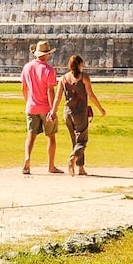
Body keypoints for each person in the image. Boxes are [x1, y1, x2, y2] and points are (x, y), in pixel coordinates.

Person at [55, 54, 107, 175]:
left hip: (67, 112)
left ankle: (81, 168)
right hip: (80, 112)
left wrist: (53, 111)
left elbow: (58, 97)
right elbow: (91, 95)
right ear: (79, 65)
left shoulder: (63, 78)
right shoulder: (84, 77)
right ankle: (73, 158)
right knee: (82, 140)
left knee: (75, 140)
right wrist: (101, 109)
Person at [21, 40, 62, 175]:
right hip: (45, 107)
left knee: (30, 137)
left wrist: (29, 102)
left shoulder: (27, 67)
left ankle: (27, 160)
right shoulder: (49, 70)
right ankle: (51, 165)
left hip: (31, 106)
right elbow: (50, 91)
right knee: (51, 137)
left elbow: (24, 88)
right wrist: (53, 110)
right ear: (47, 54)